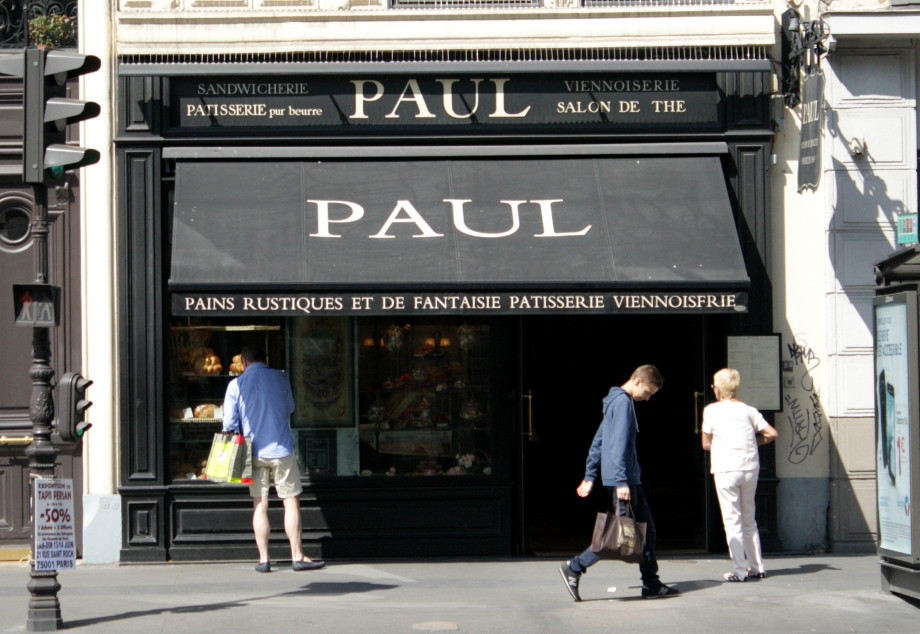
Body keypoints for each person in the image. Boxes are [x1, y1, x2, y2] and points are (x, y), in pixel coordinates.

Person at [559, 364, 679, 601]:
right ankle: (575, 566)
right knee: (617, 536)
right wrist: (621, 481)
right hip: (625, 481)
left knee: (647, 532)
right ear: (637, 382)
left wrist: (590, 475)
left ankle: (651, 584)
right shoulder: (623, 403)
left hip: (628, 479)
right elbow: (618, 444)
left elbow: (599, 440)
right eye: (647, 393)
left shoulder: (616, 402)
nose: (646, 399)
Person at [222, 345, 325, 573]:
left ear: (243, 361)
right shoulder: (281, 377)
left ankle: (264, 559)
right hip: (282, 448)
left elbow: (229, 423)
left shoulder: (235, 385)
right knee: (290, 501)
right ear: (264, 360)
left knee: (260, 503)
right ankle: (297, 556)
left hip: (253, 451)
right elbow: (290, 407)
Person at [701, 368, 778, 582]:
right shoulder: (749, 410)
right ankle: (758, 566)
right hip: (750, 468)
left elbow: (706, 443)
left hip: (726, 468)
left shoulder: (711, 410)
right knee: (749, 519)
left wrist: (722, 445)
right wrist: (755, 442)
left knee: (731, 520)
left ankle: (740, 570)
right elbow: (771, 433)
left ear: (717, 389)